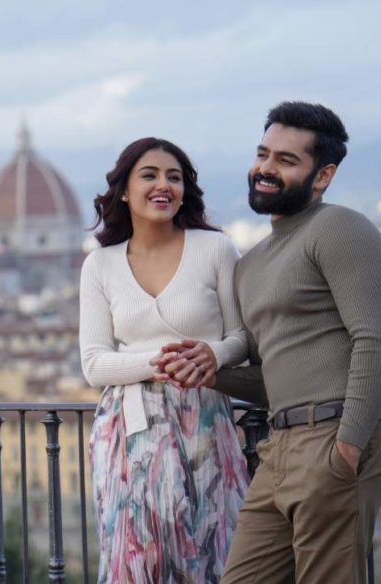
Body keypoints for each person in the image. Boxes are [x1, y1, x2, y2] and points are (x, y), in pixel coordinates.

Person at [158, 102, 381, 583]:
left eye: (286, 160)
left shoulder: (341, 228)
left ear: (323, 175)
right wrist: (211, 372)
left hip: (336, 436)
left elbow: (377, 341)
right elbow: (272, 378)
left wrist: (347, 449)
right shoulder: (251, 263)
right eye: (263, 154)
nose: (266, 168)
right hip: (281, 445)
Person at [81, 137, 250, 583]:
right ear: (124, 190)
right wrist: (163, 362)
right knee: (137, 559)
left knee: (212, 552)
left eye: (174, 177)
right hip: (128, 430)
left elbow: (242, 338)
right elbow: (94, 363)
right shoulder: (100, 265)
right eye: (150, 175)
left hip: (204, 420)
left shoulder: (215, 249)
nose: (163, 185)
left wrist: (212, 354)